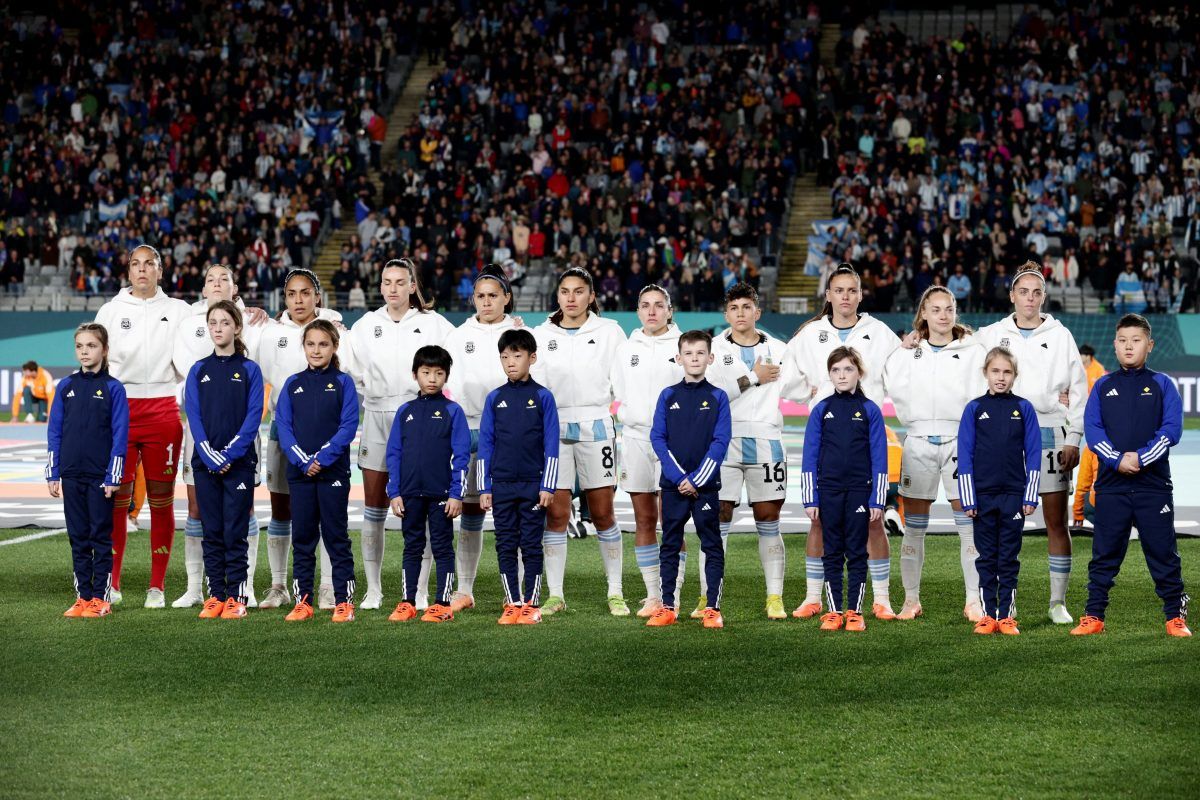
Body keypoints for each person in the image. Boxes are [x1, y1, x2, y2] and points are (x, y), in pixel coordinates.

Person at [786, 263, 900, 620]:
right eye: (839, 290)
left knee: (873, 521)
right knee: (819, 520)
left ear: (861, 295)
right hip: (828, 437)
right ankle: (813, 597)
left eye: (852, 290)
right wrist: (809, 392)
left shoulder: (879, 333)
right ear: (829, 295)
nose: (845, 296)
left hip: (865, 433)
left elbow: (901, 372)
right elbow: (787, 377)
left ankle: (881, 599)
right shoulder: (810, 334)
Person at [977, 263, 1087, 624]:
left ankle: (1057, 602)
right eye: (1023, 291)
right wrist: (915, 337)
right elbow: (953, 342)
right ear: (1012, 295)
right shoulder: (992, 333)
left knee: (1055, 519)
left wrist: (1074, 436)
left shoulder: (1061, 335)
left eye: (1036, 292)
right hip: (1003, 433)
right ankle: (991, 601)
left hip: (1049, 430)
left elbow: (1079, 389)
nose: (1030, 298)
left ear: (1043, 297)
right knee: (999, 520)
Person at [1072, 315, 1190, 637]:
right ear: (1114, 345)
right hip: (1112, 487)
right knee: (1104, 555)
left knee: (1163, 553)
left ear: (1149, 345)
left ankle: (1174, 616)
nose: (1128, 346)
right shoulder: (1102, 386)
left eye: (1136, 340)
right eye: (1123, 340)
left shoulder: (1163, 384)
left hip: (1153, 486)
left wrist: (1140, 458)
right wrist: (1116, 460)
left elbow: (1171, 430)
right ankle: (1093, 615)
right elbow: (1093, 432)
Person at [349, 258, 454, 611]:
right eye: (386, 282)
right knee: (374, 506)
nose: (392, 288)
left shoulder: (434, 324)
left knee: (421, 506)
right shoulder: (365, 325)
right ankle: (374, 589)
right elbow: (352, 371)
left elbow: (461, 352)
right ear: (380, 286)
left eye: (400, 282)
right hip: (377, 416)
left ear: (412, 286)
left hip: (420, 416)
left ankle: (420, 591)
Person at [94, 244, 193, 607]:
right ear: (128, 271)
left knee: (161, 501)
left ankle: (157, 586)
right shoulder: (110, 310)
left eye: (149, 264)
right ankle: (112, 582)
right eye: (135, 264)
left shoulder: (179, 310)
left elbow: (216, 318)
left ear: (159, 271)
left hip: (163, 410)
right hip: (120, 409)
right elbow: (96, 359)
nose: (141, 270)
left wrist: (247, 307)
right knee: (116, 500)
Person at [882, 286, 986, 620]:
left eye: (949, 309)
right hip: (918, 442)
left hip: (960, 441)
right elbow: (888, 383)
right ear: (923, 313)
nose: (943, 315)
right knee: (914, 527)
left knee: (968, 526)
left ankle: (974, 601)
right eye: (936, 309)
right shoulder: (907, 351)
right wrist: (902, 347)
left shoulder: (973, 350)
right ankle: (911, 600)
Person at [707, 282, 807, 620]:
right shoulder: (713, 349)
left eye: (746, 307)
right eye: (734, 308)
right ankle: (709, 597)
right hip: (724, 442)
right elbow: (711, 396)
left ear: (757, 312)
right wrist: (753, 377)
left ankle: (774, 597)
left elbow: (800, 389)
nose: (740, 314)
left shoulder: (779, 349)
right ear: (726, 314)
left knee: (768, 519)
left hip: (766, 441)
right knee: (718, 518)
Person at [531, 267, 626, 616]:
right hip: (554, 430)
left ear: (591, 296)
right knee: (556, 514)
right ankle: (555, 595)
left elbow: (622, 382)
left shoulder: (610, 332)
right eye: (565, 291)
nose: (571, 298)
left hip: (596, 427)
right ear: (557, 295)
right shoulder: (541, 333)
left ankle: (615, 592)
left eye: (579, 291)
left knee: (602, 512)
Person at [171, 265, 266, 609]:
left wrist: (230, 453)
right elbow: (193, 416)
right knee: (211, 529)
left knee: (235, 529)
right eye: (213, 323)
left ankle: (238, 595)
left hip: (238, 462)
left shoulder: (250, 369)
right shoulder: (199, 370)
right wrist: (209, 454)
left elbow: (253, 417)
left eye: (225, 323)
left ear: (237, 327)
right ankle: (214, 596)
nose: (218, 328)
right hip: (206, 461)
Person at [255, 269, 349, 610]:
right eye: (292, 293)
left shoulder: (337, 329)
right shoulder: (269, 332)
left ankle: (326, 587)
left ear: (317, 297)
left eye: (305, 293)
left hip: (325, 435)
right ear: (284, 298)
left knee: (327, 515)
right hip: (285, 432)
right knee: (281, 509)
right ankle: (279, 585)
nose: (298, 300)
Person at [443, 265, 518, 612]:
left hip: (511, 433)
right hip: (470, 429)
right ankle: (465, 589)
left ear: (506, 298)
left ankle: (515, 591)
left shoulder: (521, 333)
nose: (486, 302)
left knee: (513, 513)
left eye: (493, 296)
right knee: (470, 511)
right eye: (480, 296)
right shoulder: (458, 336)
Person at [646, 330, 732, 629]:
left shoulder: (718, 397)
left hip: (705, 488)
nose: (694, 358)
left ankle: (712, 608)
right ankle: (667, 606)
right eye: (688, 353)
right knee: (670, 544)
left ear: (710, 358)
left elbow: (721, 441)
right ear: (679, 358)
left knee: (712, 544)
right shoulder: (668, 395)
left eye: (700, 353)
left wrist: (697, 480)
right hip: (673, 487)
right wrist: (679, 478)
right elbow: (657, 438)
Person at [275, 320, 360, 623]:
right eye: (311, 344)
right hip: (300, 475)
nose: (316, 350)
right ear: (303, 347)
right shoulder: (293, 383)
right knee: (303, 538)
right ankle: (303, 601)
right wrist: (303, 461)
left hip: (332, 473)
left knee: (336, 537)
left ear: (334, 346)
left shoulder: (344, 383)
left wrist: (322, 459)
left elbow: (348, 426)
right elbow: (283, 427)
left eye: (323, 344)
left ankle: (344, 602)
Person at [611, 285, 686, 617]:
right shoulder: (626, 349)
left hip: (674, 441)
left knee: (672, 521)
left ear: (670, 310)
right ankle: (653, 595)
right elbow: (620, 390)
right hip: (636, 439)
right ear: (638, 311)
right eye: (645, 305)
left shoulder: (683, 345)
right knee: (644, 519)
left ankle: (672, 595)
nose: (652, 311)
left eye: (659, 305)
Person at [801, 346, 888, 632]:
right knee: (832, 551)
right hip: (828, 491)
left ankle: (855, 612)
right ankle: (834, 610)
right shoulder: (821, 409)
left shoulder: (870, 410)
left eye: (848, 369)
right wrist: (810, 498)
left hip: (860, 491)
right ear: (829, 374)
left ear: (859, 373)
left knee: (857, 551)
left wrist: (877, 499)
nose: (842, 375)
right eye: (836, 370)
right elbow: (810, 455)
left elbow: (880, 457)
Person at [956, 347, 1041, 635]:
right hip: (982, 497)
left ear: (1015, 375)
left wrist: (1030, 495)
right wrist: (968, 498)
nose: (1001, 377)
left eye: (1007, 372)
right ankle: (987, 615)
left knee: (1008, 558)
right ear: (986, 373)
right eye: (995, 371)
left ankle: (1006, 616)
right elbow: (965, 454)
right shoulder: (974, 408)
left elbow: (1034, 453)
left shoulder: (1024, 408)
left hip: (1014, 496)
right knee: (986, 558)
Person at [478, 329, 560, 625]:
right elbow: (486, 444)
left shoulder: (543, 397)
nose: (510, 362)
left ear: (532, 358)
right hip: (501, 485)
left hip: (533, 485)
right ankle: (512, 602)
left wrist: (548, 485)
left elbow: (552, 444)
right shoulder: (494, 398)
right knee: (505, 544)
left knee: (531, 544)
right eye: (504, 357)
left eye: (517, 355)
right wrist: (484, 487)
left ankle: (532, 604)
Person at [385, 346, 471, 623]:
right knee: (412, 546)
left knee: (443, 547)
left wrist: (456, 494)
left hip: (442, 494)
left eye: (439, 373)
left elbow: (461, 456)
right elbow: (394, 453)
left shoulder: (452, 411)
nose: (432, 379)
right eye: (426, 372)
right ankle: (407, 602)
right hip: (410, 493)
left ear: (446, 376)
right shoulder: (405, 411)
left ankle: (442, 604)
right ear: (415, 374)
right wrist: (395, 492)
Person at [47, 323, 128, 618]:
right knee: (78, 537)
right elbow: (55, 430)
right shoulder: (65, 386)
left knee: (100, 537)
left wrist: (113, 476)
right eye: (80, 346)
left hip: (100, 477)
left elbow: (120, 435)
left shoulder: (113, 388)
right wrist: (53, 472)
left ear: (104, 350)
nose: (84, 351)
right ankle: (83, 597)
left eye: (91, 346)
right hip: (71, 474)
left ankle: (100, 598)